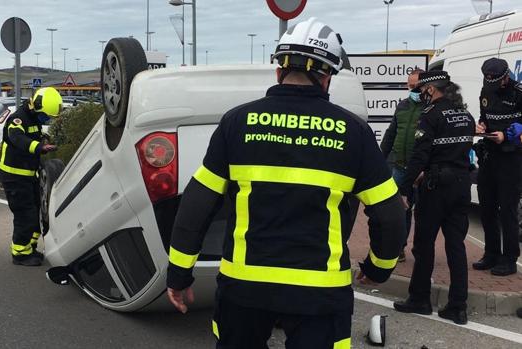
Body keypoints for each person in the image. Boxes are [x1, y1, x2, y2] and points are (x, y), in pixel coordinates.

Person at [166, 18, 406, 348]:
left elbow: (197, 204)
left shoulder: (236, 122)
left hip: (244, 288)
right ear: (327, 77)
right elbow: (391, 215)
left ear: (279, 69)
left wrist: (179, 274)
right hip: (320, 294)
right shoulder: (354, 133)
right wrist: (378, 269)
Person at [393, 71, 475, 325]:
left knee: (424, 245)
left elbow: (419, 156)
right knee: (456, 246)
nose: (420, 93)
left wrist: (405, 188)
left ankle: (420, 299)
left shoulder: (430, 116)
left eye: (422, 88)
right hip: (462, 185)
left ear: (430, 89)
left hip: (435, 187)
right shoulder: (466, 115)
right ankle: (457, 306)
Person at [0, 87, 61, 266]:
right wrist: (39, 147)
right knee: (24, 215)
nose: (46, 119)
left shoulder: (33, 118)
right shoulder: (17, 119)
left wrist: (43, 139)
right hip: (14, 177)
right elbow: (18, 138)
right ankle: (20, 253)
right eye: (45, 116)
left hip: (28, 176)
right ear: (36, 106)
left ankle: (29, 248)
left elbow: (33, 134)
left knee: (36, 212)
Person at [472, 58, 522, 276]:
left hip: (512, 159)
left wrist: (509, 137)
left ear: (506, 77)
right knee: (487, 208)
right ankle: (491, 253)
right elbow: (485, 116)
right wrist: (482, 126)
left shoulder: (519, 93)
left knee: (508, 210)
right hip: (489, 156)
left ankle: (509, 258)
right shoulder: (486, 91)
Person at [380, 68, 424, 262]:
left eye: (416, 86)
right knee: (399, 209)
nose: (412, 89)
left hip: (421, 170)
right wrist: (380, 158)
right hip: (399, 166)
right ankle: (400, 247)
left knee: (422, 212)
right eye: (410, 85)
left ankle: (422, 249)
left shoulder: (430, 109)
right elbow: (391, 132)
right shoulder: (403, 106)